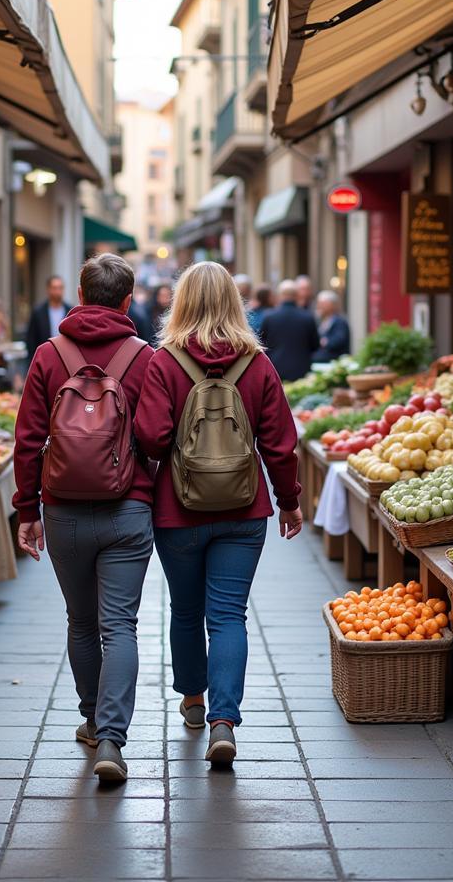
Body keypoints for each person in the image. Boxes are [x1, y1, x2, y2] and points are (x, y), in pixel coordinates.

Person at [134, 262, 302, 766]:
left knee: (185, 611)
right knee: (228, 615)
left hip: (176, 510)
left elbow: (152, 438)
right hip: (244, 509)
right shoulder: (257, 363)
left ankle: (192, 699)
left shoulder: (164, 363)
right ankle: (223, 722)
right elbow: (280, 444)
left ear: (179, 302)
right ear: (235, 302)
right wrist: (289, 501)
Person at [13, 254, 155, 783]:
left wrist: (28, 510)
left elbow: (28, 439)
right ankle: (113, 743)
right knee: (120, 625)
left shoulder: (50, 354)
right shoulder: (143, 356)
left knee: (81, 621)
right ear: (127, 299)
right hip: (129, 507)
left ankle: (93, 720)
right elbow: (159, 434)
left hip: (63, 509)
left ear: (78, 292)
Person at [259, 280, 320, 381]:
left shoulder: (269, 317)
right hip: (301, 370)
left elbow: (262, 344)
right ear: (297, 296)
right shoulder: (307, 317)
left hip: (275, 369)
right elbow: (315, 346)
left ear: (280, 296)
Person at [25, 275, 71, 357]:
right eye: (54, 288)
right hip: (44, 357)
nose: (57, 291)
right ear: (48, 289)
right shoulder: (38, 312)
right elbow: (31, 340)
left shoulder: (70, 311)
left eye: (60, 288)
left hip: (66, 358)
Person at [313, 289, 351, 362]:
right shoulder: (320, 321)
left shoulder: (340, 322)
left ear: (331, 305)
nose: (318, 306)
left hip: (335, 362)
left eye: (322, 304)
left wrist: (323, 342)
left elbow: (338, 341)